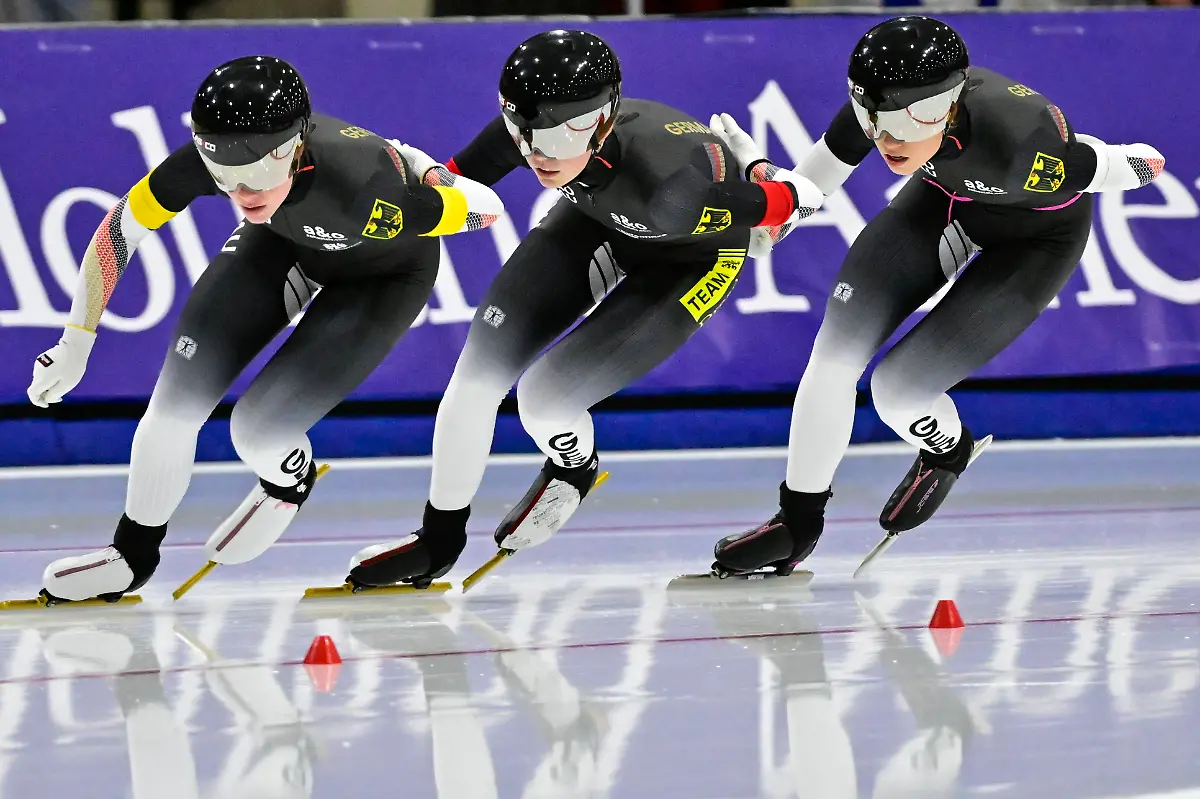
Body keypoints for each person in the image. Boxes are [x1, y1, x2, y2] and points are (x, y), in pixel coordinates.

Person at [346, 29, 825, 589]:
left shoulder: (672, 187)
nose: (539, 153)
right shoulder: (532, 130)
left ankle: (573, 467)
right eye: (524, 134)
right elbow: (460, 185)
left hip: (692, 255)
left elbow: (801, 202)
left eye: (557, 136)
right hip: (597, 218)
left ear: (599, 122)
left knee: (544, 401)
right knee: (475, 375)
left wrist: (761, 173)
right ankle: (438, 540)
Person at [28, 55, 504, 603]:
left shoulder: (366, 188)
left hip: (381, 277)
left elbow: (485, 210)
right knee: (174, 405)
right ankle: (133, 554)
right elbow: (117, 230)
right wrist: (76, 339)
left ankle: (287, 480)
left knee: (256, 432)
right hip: (283, 247)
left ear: (295, 147)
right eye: (226, 176)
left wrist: (422, 169)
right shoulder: (217, 163)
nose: (243, 192)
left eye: (257, 172)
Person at [706, 16, 1166, 578]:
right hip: (943, 205)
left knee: (897, 392)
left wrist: (1139, 162)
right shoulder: (877, 110)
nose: (888, 143)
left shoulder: (1020, 144)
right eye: (877, 126)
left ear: (947, 107)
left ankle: (948, 450)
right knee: (830, 362)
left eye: (905, 126)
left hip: (1034, 240)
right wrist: (759, 185)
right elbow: (801, 198)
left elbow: (1122, 165)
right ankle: (797, 523)